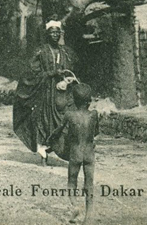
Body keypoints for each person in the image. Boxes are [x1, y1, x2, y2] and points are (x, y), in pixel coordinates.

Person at [13, 20, 76, 164]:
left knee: (63, 119)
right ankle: (43, 153)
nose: (55, 35)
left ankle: (54, 148)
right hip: (45, 91)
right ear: (47, 35)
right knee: (44, 121)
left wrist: (67, 79)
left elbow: (72, 70)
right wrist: (52, 73)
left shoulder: (65, 51)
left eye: (57, 33)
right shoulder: (40, 51)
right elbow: (32, 73)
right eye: (52, 33)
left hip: (62, 91)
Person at [59, 83, 98, 224]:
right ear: (89, 101)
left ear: (74, 100)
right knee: (89, 183)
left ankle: (75, 207)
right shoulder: (94, 115)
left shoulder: (69, 115)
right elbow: (96, 133)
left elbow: (60, 131)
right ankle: (89, 216)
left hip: (75, 153)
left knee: (72, 181)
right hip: (89, 153)